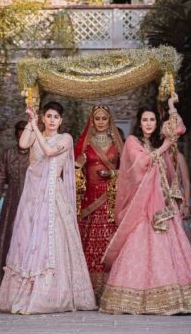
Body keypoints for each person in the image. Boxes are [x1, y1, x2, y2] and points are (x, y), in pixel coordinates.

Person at [100, 96, 191, 315]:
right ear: (139, 123)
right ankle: (138, 300)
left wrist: (171, 107)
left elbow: (178, 128)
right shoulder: (132, 141)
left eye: (152, 120)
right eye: (145, 120)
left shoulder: (160, 142)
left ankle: (180, 299)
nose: (149, 123)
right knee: (142, 248)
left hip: (163, 204)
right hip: (142, 206)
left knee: (170, 249)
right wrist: (164, 148)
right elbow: (141, 163)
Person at [0, 100, 96, 315]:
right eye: (48, 116)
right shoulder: (35, 134)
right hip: (33, 195)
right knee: (29, 238)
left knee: (51, 239)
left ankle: (51, 295)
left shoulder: (65, 139)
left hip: (52, 196)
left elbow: (48, 152)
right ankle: (25, 292)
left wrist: (37, 129)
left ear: (61, 120)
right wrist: (32, 121)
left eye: (55, 117)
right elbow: (23, 144)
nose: (51, 120)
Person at [74, 104, 125, 292]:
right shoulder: (84, 144)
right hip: (89, 198)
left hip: (110, 198)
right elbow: (74, 170)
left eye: (104, 118)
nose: (101, 122)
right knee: (89, 240)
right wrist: (78, 166)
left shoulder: (118, 144)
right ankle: (88, 288)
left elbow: (127, 171)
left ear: (109, 120)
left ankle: (112, 287)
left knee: (109, 238)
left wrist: (112, 174)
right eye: (98, 118)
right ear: (92, 120)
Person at [0, 120, 30, 291]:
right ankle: (2, 278)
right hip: (12, 200)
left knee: (29, 235)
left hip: (32, 199)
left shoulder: (35, 152)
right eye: (19, 131)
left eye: (24, 131)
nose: (21, 134)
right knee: (8, 234)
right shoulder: (8, 153)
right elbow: (1, 177)